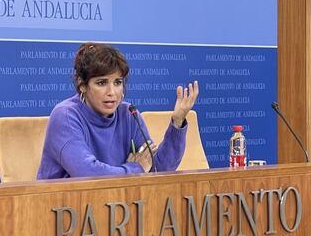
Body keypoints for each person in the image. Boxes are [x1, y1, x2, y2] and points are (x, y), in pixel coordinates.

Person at [37, 42, 199, 179]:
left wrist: (177, 123)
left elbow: (157, 170)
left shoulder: (129, 114)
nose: (112, 92)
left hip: (115, 208)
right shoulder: (65, 116)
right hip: (63, 210)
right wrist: (136, 168)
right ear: (82, 85)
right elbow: (87, 173)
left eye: (117, 82)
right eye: (101, 83)